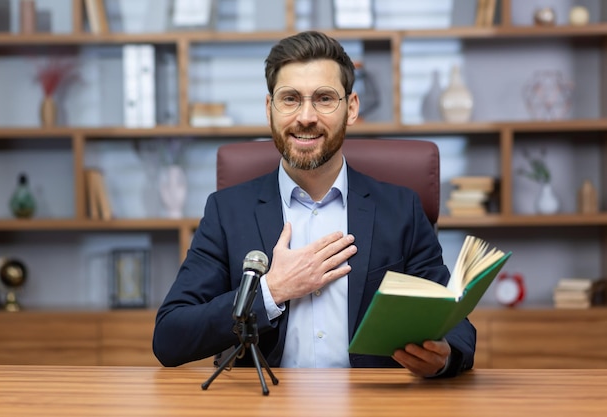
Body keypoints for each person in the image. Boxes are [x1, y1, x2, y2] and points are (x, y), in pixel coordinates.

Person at [153, 30, 475, 377]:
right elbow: (170, 337)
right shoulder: (227, 212)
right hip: (265, 405)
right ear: (269, 108)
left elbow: (457, 328)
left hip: (374, 405)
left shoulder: (402, 210)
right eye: (290, 99)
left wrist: (444, 357)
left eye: (323, 98)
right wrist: (270, 292)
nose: (306, 117)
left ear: (351, 108)